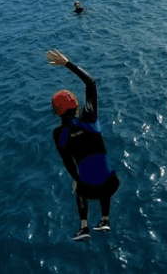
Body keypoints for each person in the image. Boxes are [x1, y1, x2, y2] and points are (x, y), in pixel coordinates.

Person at [47, 49, 120, 241]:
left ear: (56, 113)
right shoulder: (89, 119)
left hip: (88, 189)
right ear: (77, 105)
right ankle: (105, 219)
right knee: (104, 176)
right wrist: (67, 63)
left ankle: (84, 227)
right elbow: (91, 82)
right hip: (112, 183)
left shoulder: (59, 134)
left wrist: (76, 179)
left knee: (79, 187)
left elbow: (69, 164)